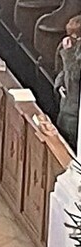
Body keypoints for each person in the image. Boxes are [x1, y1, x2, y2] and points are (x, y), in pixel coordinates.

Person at [55, 15, 81, 149]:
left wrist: (68, 52)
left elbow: (75, 75)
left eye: (74, 37)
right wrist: (59, 84)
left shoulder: (74, 51)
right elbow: (63, 71)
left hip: (75, 113)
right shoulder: (74, 47)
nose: (71, 40)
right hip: (66, 104)